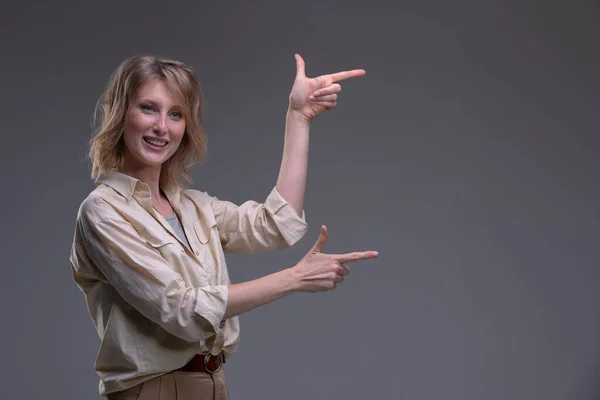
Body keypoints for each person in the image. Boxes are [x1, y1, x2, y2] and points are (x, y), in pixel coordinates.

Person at [70, 54, 378, 400]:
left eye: (175, 114)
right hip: (151, 389)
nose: (162, 126)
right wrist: (294, 278)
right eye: (148, 108)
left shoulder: (194, 206)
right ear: (120, 113)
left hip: (213, 381)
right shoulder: (103, 212)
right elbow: (182, 310)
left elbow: (276, 225)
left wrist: (299, 117)